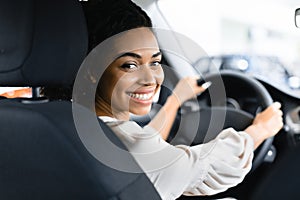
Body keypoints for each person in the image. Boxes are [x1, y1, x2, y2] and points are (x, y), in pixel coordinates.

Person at [80, 1, 284, 199]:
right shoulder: (133, 150)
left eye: (155, 62)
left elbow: (144, 144)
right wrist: (260, 130)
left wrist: (174, 100)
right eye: (130, 65)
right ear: (92, 70)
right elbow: (209, 165)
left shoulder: (73, 123)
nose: (151, 79)